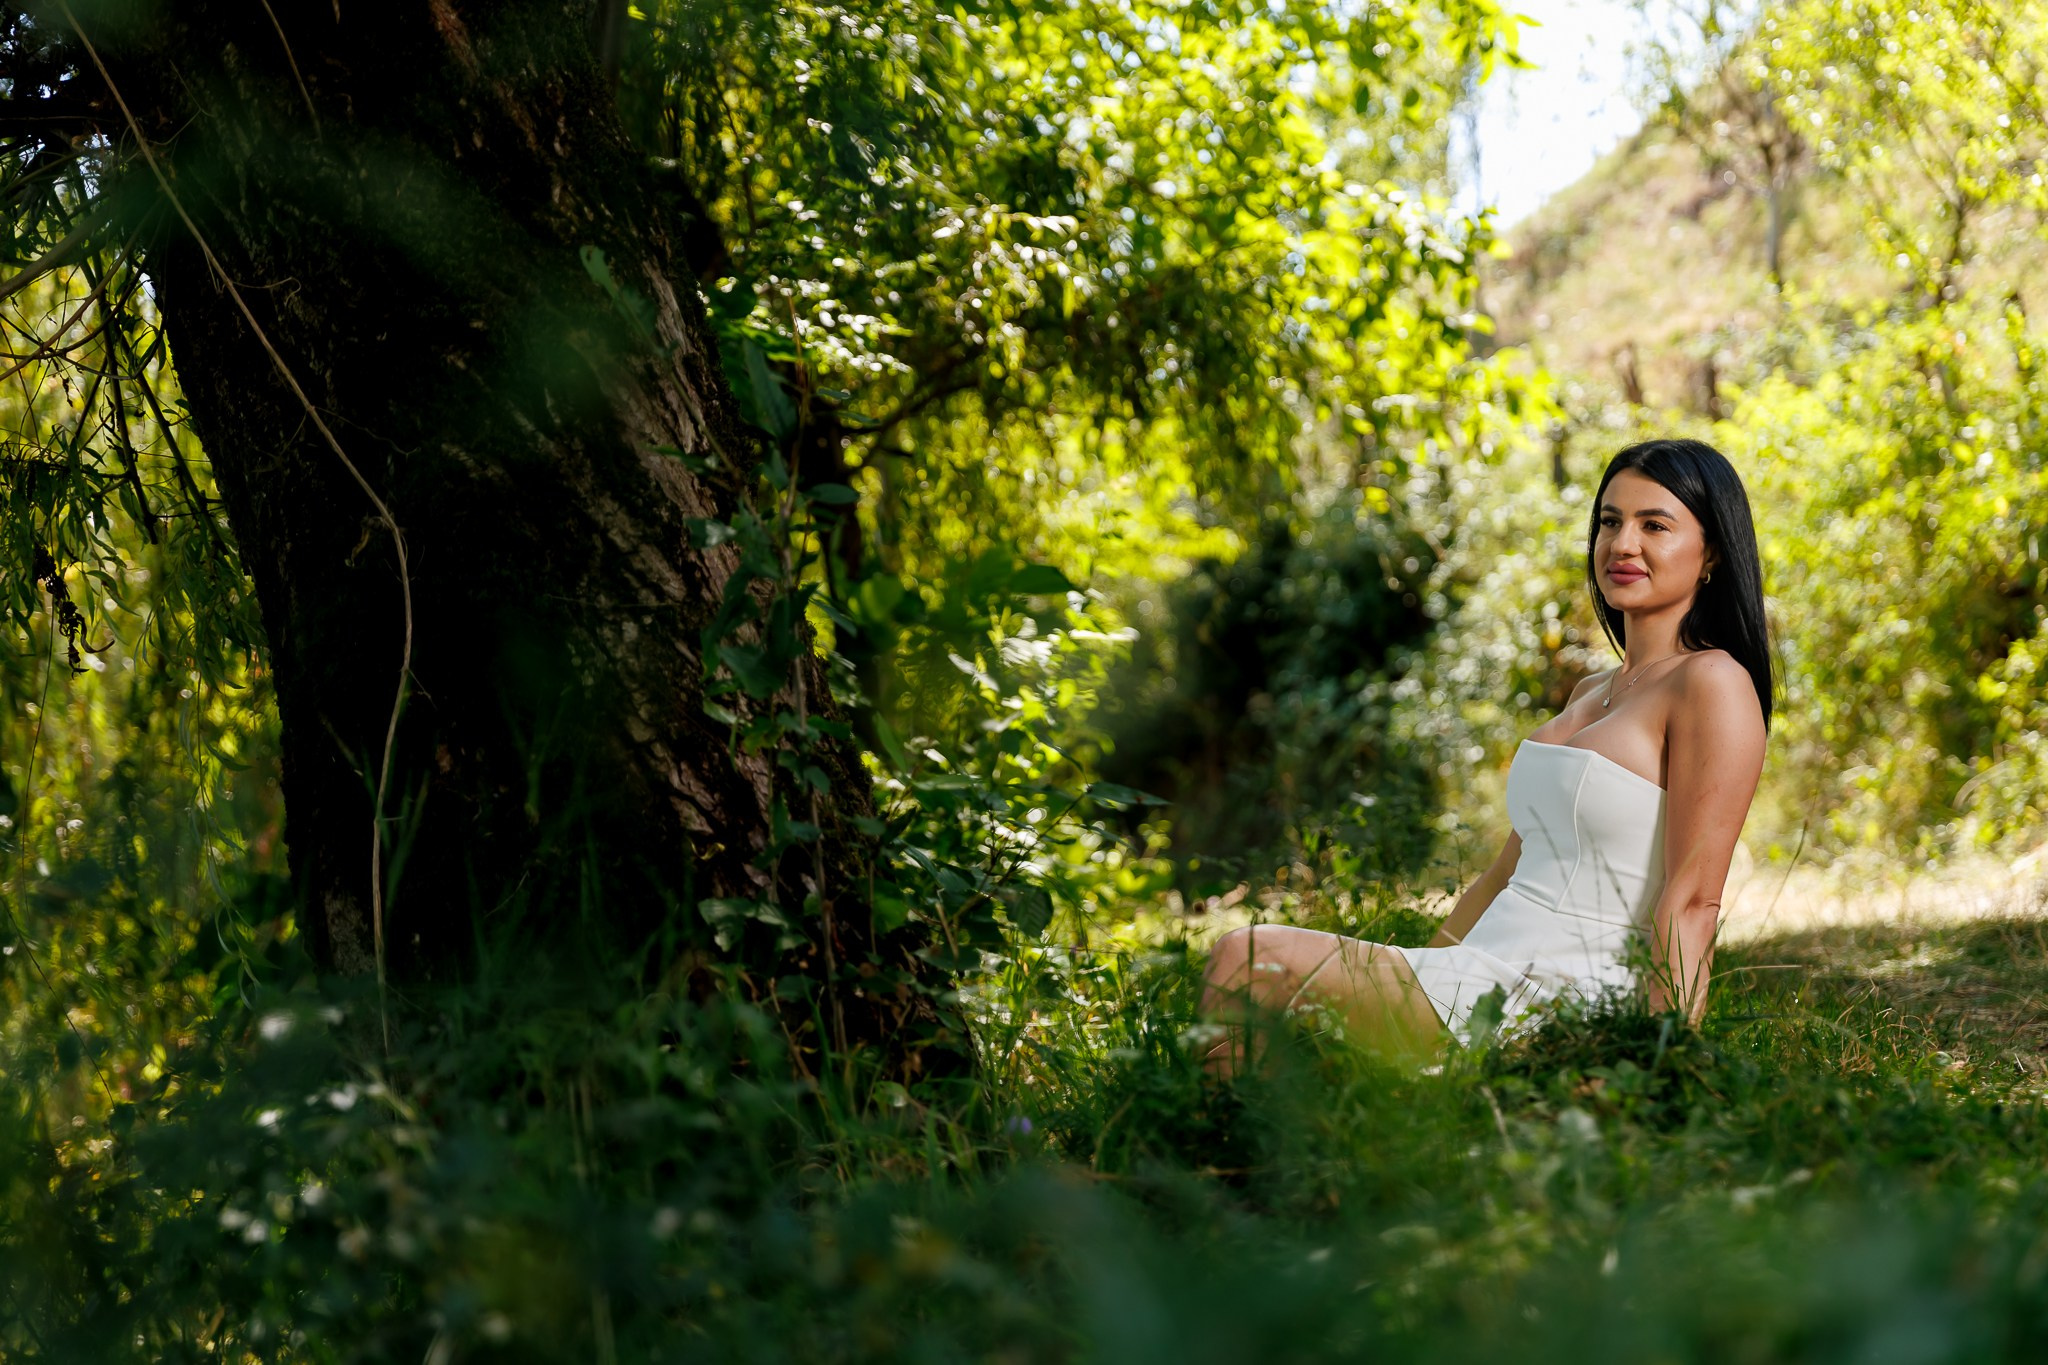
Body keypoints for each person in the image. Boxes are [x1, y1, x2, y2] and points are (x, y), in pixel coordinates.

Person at [1199, 438, 1772, 1071]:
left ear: (1712, 552)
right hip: (1475, 975)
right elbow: (1505, 872)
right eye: (1610, 522)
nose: (1622, 545)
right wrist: (1427, 965)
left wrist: (1660, 1066)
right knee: (1271, 1015)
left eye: (1654, 525)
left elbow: (1693, 901)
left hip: (1562, 997)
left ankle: (1204, 1144)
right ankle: (1234, 1148)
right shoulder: (1592, 692)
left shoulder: (1710, 683)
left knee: (1246, 956)